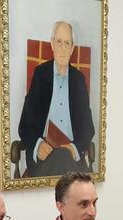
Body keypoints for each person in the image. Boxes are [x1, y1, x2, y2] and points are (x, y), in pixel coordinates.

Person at [18, 21, 95, 178]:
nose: (62, 47)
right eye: (59, 41)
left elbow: (88, 129)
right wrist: (38, 145)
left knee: (63, 156)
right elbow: (25, 126)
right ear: (52, 44)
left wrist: (73, 149)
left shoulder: (78, 80)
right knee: (64, 166)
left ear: (72, 48)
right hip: (44, 159)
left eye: (67, 43)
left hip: (71, 159)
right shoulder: (40, 75)